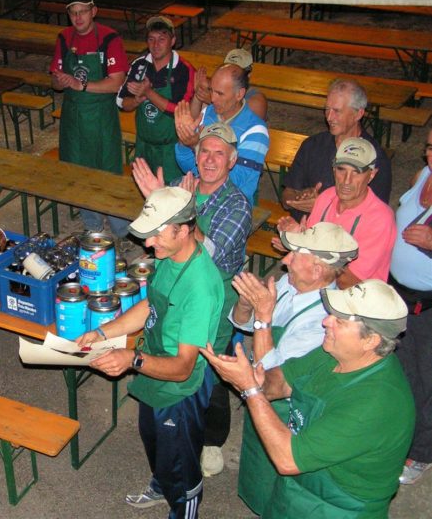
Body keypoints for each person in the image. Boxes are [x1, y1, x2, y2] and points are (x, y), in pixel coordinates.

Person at [202, 279, 414, 518]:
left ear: (371, 340)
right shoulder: (334, 354)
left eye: (339, 320)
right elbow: (280, 382)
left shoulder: (375, 403)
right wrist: (254, 379)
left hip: (339, 506)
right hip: (301, 485)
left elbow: (287, 459)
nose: (326, 321)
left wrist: (250, 389)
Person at [77, 186, 224, 518]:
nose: (147, 243)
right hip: (152, 372)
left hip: (178, 390)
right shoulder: (170, 256)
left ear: (183, 229)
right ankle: (161, 485)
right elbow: (150, 304)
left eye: (156, 235)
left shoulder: (200, 287)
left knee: (182, 471)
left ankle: (181, 505)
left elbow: (184, 367)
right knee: (156, 442)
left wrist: (132, 359)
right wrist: (101, 333)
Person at [133, 122, 251, 478]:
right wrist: (160, 201)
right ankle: (172, 424)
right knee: (169, 351)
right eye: (204, 151)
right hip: (172, 288)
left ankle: (212, 438)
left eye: (219, 153)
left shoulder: (237, 205)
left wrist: (180, 209)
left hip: (212, 297)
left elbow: (207, 252)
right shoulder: (181, 188)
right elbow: (160, 234)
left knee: (208, 369)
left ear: (232, 160)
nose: (210, 160)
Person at [229, 222, 358, 515]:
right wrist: (247, 306)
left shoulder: (323, 323)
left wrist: (263, 315)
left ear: (317, 270)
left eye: (294, 255)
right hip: (260, 400)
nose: (284, 261)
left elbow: (270, 381)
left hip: (287, 412)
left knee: (280, 484)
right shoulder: (292, 282)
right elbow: (241, 321)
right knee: (258, 468)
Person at [49, 0, 131, 245]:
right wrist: (60, 81)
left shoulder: (109, 38)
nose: (77, 17)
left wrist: (80, 84)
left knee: (108, 170)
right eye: (73, 12)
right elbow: (55, 81)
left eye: (82, 11)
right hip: (73, 117)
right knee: (78, 171)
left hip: (101, 116)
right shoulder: (64, 38)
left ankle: (122, 230)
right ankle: (93, 226)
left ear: (93, 11)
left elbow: (116, 82)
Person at [277, 137, 395, 288]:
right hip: (316, 284)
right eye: (341, 169)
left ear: (371, 175)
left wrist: (300, 250)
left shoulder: (380, 219)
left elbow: (350, 281)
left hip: (352, 300)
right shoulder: (326, 197)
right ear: (333, 169)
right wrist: (295, 242)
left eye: (356, 172)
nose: (346, 180)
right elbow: (312, 249)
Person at [282, 78, 392, 222]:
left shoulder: (374, 159)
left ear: (358, 114)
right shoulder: (312, 145)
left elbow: (375, 216)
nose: (329, 117)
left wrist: (323, 206)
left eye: (337, 111)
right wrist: (299, 198)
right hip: (301, 230)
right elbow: (286, 196)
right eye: (327, 109)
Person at [390, 128, 432, 485]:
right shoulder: (422, 177)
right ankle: (398, 434)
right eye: (431, 147)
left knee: (428, 379)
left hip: (430, 305)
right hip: (400, 295)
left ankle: (421, 452)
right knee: (402, 373)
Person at [174, 64, 269, 206]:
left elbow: (236, 181)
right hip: (200, 198)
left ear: (239, 94)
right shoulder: (208, 114)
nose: (212, 99)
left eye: (220, 94)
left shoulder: (255, 130)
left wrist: (196, 147)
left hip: (232, 207)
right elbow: (186, 165)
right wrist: (184, 140)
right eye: (211, 91)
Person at [116, 15, 195, 183]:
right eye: (151, 39)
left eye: (162, 39)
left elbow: (180, 111)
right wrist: (137, 99)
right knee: (146, 194)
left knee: (172, 195)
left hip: (171, 150)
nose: (155, 44)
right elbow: (122, 102)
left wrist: (149, 93)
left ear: (172, 40)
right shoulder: (139, 65)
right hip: (144, 145)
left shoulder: (183, 70)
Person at [190, 48, 268, 122]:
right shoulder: (216, 90)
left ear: (248, 75)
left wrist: (213, 101)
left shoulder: (257, 101)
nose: (231, 74)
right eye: (228, 68)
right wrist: (198, 93)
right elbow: (194, 119)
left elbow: (243, 126)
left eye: (236, 73)